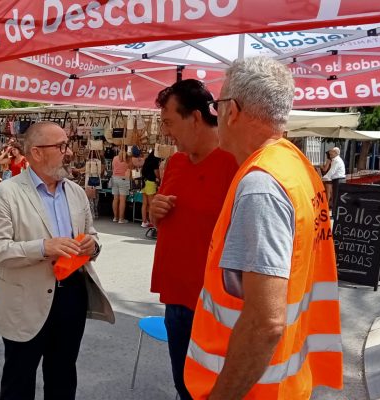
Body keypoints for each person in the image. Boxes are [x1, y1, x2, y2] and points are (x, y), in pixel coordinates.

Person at [184, 57, 342, 399]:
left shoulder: (262, 186)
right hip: (284, 380)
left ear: (232, 111)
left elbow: (265, 323)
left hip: (254, 389)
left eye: (217, 105)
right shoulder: (295, 166)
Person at [0, 121, 115, 400]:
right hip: (25, 302)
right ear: (37, 152)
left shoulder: (76, 192)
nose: (69, 152)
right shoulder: (7, 193)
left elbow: (91, 234)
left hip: (71, 299)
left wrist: (93, 245)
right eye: (62, 146)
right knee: (19, 381)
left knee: (63, 376)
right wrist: (43, 247)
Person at [148, 79, 239, 400]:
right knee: (184, 387)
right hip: (177, 298)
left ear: (196, 118)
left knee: (213, 391)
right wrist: (155, 211)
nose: (166, 131)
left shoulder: (235, 163)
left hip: (216, 305)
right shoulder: (175, 162)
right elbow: (162, 221)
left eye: (170, 122)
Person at [140, 148, 161, 228]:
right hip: (150, 183)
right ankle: (152, 221)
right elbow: (157, 174)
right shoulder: (154, 162)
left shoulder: (147, 160)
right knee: (151, 204)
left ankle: (144, 221)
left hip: (144, 182)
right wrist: (159, 179)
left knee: (144, 203)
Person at [322, 146, 346, 213]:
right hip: (336, 179)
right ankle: (335, 212)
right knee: (334, 196)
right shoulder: (335, 160)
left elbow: (332, 171)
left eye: (331, 153)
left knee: (335, 197)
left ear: (335, 153)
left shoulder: (336, 161)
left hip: (338, 180)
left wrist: (323, 178)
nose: (330, 155)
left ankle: (335, 213)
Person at [111, 150, 131, 223]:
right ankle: (121, 219)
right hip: (123, 179)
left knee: (115, 199)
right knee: (122, 200)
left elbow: (113, 168)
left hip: (114, 178)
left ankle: (115, 217)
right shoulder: (128, 159)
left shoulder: (115, 158)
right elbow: (130, 168)